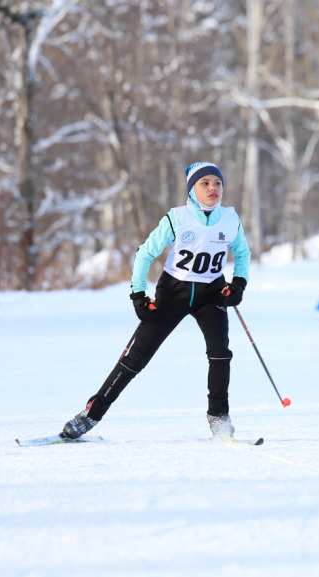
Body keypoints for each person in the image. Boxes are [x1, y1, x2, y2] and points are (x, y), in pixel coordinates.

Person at [60, 161, 252, 439]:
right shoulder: (177, 218)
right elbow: (144, 253)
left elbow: (243, 254)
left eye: (217, 183)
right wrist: (138, 295)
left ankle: (219, 417)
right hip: (174, 293)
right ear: (192, 189)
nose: (213, 188)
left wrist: (238, 284)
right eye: (205, 183)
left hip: (211, 294)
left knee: (220, 353)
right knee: (136, 357)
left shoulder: (230, 219)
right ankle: (91, 414)